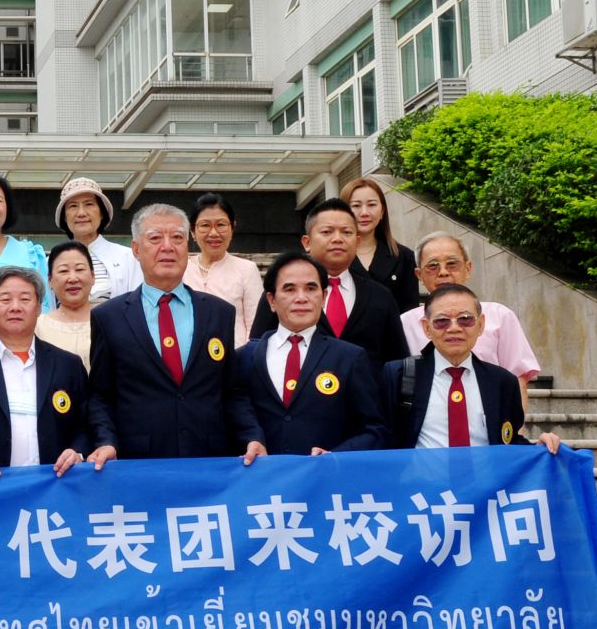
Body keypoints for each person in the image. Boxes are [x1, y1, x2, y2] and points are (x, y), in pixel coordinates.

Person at [88, 203, 264, 463]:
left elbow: (232, 390)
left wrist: (252, 436)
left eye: (177, 238)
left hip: (209, 459)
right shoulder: (109, 317)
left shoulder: (219, 312)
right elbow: (101, 396)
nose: (168, 247)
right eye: (155, 238)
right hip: (139, 461)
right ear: (136, 249)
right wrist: (105, 441)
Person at [235, 252, 385, 455]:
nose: (301, 298)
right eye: (289, 289)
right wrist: (251, 440)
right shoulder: (245, 357)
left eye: (311, 288)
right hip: (262, 473)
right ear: (271, 300)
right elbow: (233, 415)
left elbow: (374, 430)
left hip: (325, 474)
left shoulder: (350, 358)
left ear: (323, 297)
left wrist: (335, 457)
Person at [381, 284, 561, 452]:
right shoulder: (398, 376)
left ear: (481, 325)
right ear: (427, 328)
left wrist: (538, 447)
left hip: (485, 477)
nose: (454, 328)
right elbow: (383, 440)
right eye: (442, 321)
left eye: (465, 319)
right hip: (422, 476)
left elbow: (509, 443)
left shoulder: (503, 382)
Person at [0, 266, 92, 479]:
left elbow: (87, 424)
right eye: (5, 299)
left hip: (55, 486)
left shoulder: (68, 364)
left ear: (39, 307)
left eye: (25, 299)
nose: (15, 307)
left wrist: (77, 452)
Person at [249, 198, 405, 365]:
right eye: (327, 232)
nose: (337, 239)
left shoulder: (380, 295)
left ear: (357, 242)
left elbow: (398, 361)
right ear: (307, 242)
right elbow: (257, 351)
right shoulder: (281, 293)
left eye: (346, 232)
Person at [399, 232, 541, 408]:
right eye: (433, 266)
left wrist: (515, 425)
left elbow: (517, 379)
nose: (443, 272)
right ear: (419, 274)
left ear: (468, 268)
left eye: (452, 264)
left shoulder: (500, 316)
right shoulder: (405, 323)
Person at [181, 192, 262, 349]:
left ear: (232, 228)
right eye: (205, 225)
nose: (214, 233)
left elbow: (255, 326)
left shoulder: (247, 270)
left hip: (234, 357)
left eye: (221, 225)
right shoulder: (182, 269)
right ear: (192, 232)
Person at [54, 176, 138, 305]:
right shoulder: (51, 262)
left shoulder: (128, 257)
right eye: (73, 206)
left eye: (89, 204)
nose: (81, 213)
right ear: (64, 217)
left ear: (102, 212)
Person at [346, 176, 420, 311]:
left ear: (382, 211)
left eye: (372, 205)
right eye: (356, 206)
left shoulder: (404, 257)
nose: (364, 213)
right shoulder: (330, 257)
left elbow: (410, 312)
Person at [37, 240, 98, 370]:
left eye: (80, 269)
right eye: (63, 271)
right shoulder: (37, 327)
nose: (73, 278)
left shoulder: (110, 321)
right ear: (50, 281)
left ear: (93, 276)